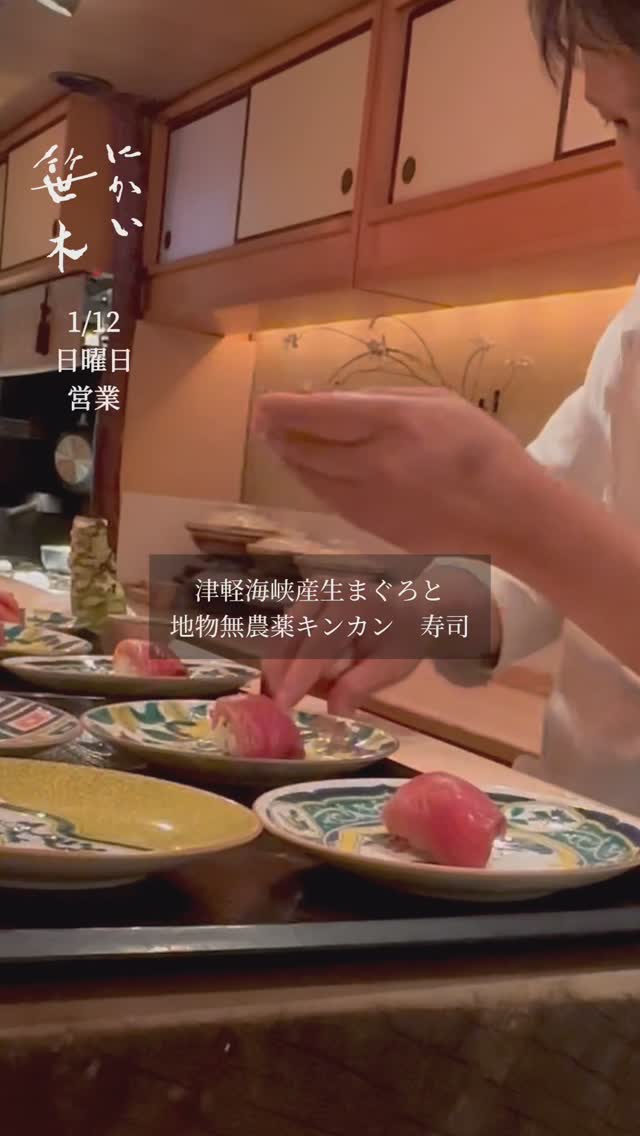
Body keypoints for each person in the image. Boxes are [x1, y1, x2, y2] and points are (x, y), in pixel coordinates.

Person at [257, 0, 640, 815]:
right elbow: (543, 568)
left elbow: (542, 528)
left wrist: (516, 512)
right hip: (584, 836)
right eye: (621, 124)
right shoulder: (635, 328)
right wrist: (414, 610)